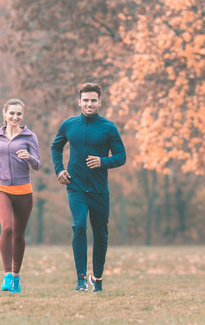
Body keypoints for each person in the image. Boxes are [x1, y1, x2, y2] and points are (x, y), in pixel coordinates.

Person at [51, 83, 126, 292]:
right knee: (79, 226)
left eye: (93, 100)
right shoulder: (68, 125)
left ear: (100, 102)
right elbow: (56, 147)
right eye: (86, 100)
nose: (89, 104)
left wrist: (103, 161)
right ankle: (80, 279)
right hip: (75, 187)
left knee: (101, 234)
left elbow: (121, 157)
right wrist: (59, 169)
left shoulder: (108, 127)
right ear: (79, 102)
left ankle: (98, 279)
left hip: (99, 190)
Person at [0, 98, 41, 293]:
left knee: (19, 235)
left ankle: (17, 277)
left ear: (22, 116)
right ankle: (7, 275)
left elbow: (38, 165)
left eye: (18, 114)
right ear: (5, 114)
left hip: (24, 190)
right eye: (12, 113)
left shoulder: (29, 137)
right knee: (7, 228)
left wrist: (29, 157)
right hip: (1, 188)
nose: (15, 117)